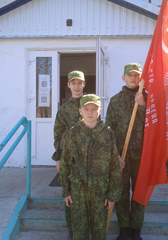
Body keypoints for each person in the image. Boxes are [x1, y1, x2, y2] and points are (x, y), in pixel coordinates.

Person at [59, 94, 122, 240]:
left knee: (99, 232)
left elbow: (114, 165)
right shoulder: (73, 133)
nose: (90, 112)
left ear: (100, 111)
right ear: (80, 111)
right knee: (79, 233)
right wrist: (66, 190)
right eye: (86, 109)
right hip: (78, 191)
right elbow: (66, 162)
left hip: (100, 190)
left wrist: (113, 193)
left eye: (94, 109)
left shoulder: (107, 133)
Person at [105, 63, 147, 240]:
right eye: (129, 75)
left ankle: (135, 228)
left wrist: (143, 105)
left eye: (136, 75)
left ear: (140, 78)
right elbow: (108, 130)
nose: (133, 78)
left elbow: (155, 126)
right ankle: (124, 227)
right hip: (121, 155)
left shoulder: (147, 98)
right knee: (121, 191)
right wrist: (115, 155)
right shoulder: (115, 101)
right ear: (123, 78)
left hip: (141, 154)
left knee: (139, 191)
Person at [52, 70, 86, 240]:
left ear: (84, 84)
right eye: (74, 83)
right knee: (69, 194)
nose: (77, 86)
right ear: (68, 85)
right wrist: (58, 157)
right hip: (69, 159)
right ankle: (72, 229)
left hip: (89, 159)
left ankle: (86, 228)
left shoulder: (90, 105)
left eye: (80, 83)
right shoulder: (64, 110)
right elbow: (58, 135)